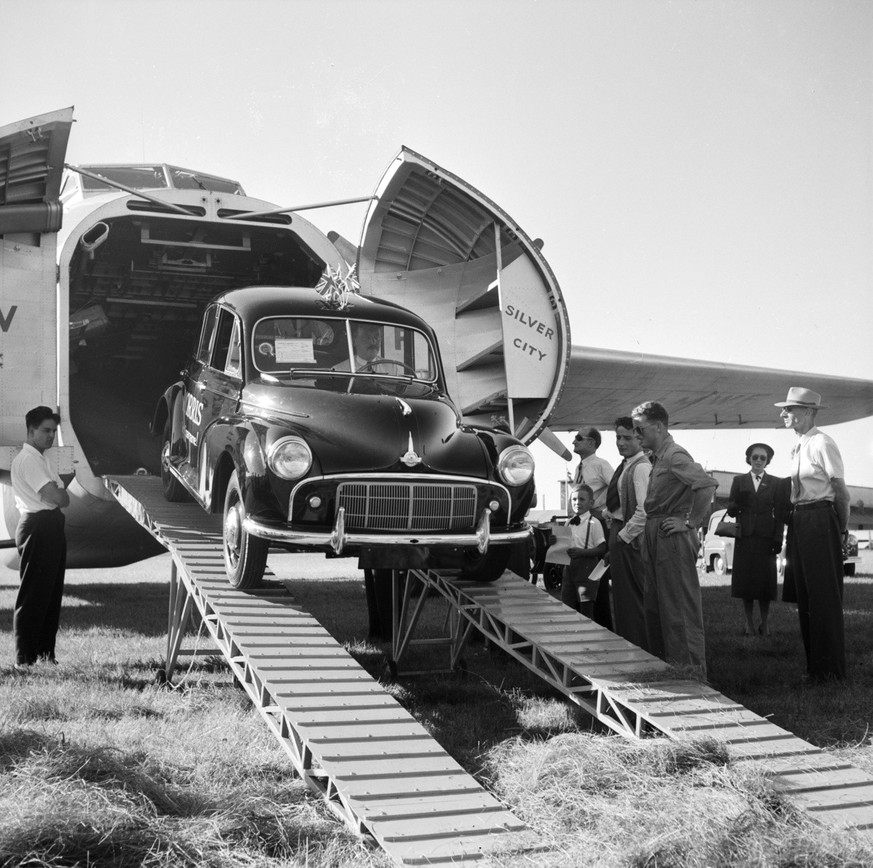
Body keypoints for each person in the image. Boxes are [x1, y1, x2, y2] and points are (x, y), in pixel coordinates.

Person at [631, 401, 717, 679]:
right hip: (657, 533)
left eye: (640, 428)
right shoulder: (658, 457)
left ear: (658, 426)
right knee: (656, 608)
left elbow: (705, 485)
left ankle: (692, 675)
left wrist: (690, 523)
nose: (636, 434)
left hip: (672, 536)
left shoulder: (674, 455)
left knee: (679, 608)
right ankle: (668, 671)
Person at [776, 387, 850, 682]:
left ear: (808, 412)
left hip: (821, 519)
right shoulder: (799, 445)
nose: (784, 414)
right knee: (805, 597)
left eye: (790, 409)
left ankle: (830, 671)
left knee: (823, 597)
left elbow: (842, 495)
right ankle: (815, 668)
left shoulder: (822, 443)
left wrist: (840, 532)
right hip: (801, 521)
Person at [10, 406, 71, 666]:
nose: (51, 436)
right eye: (46, 431)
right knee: (34, 596)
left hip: (50, 526)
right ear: (31, 430)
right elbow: (59, 497)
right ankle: (24, 659)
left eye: (54, 432)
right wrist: (57, 492)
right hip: (38, 527)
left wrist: (57, 493)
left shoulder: (42, 458)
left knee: (50, 595)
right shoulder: (29, 459)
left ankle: (46, 656)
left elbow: (62, 497)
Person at [726, 443, 784, 637]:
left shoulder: (776, 483)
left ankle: (765, 623)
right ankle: (749, 623)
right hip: (746, 537)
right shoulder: (739, 480)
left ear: (768, 461)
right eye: (755, 457)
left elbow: (781, 513)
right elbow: (731, 510)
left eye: (763, 458)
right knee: (746, 583)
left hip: (767, 538)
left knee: (766, 584)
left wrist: (777, 538)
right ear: (748, 458)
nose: (758, 461)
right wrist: (737, 503)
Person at [604, 417, 651, 648]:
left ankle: (639, 645)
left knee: (633, 596)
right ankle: (628, 642)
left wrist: (623, 536)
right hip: (618, 529)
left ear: (640, 439)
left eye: (627, 438)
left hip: (629, 537)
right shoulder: (625, 465)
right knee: (622, 596)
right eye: (618, 438)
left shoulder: (641, 467)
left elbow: (644, 510)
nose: (621, 443)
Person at [559, 484, 607, 615]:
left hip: (586, 570)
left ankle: (587, 634)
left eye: (582, 499)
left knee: (586, 607)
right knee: (567, 605)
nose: (577, 502)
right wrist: (555, 541)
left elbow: (602, 548)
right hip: (569, 570)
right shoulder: (568, 523)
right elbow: (562, 546)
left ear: (591, 503)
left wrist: (583, 552)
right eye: (574, 499)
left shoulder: (594, 522)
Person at [571, 428, 614, 516]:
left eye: (578, 438)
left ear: (591, 442)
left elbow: (618, 489)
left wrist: (605, 514)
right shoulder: (578, 468)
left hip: (597, 519)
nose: (574, 442)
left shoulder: (601, 465)